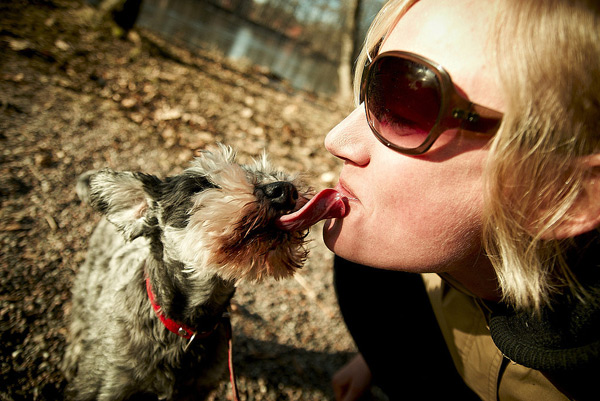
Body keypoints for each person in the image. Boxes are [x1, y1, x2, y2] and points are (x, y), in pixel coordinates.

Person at [322, 0, 600, 400]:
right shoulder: (386, 274)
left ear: (565, 194)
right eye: (377, 83)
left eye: (408, 105)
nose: (336, 139)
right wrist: (379, 357)